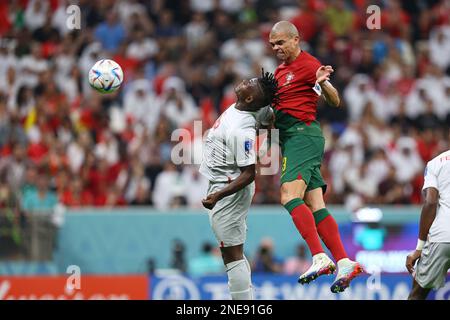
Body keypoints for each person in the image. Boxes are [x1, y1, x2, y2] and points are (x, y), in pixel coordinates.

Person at [268, 21, 363, 293]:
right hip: (293, 138)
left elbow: (334, 101)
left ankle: (319, 257)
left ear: (296, 39)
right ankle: (344, 261)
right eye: (273, 45)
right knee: (315, 204)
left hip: (302, 135)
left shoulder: (311, 66)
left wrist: (325, 84)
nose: (277, 48)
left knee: (288, 195)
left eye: (281, 43)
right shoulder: (279, 72)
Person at [199, 70, 279, 300]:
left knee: (231, 255)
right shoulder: (255, 108)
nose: (246, 81)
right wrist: (267, 144)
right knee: (234, 252)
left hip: (228, 192)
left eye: (250, 84)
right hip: (221, 185)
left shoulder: (240, 130)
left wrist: (217, 196)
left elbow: (248, 174)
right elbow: (270, 119)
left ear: (250, 98)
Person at [405, 149, 450, 300]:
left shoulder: (436, 163)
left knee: (417, 294)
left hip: (443, 236)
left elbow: (430, 201)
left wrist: (419, 248)